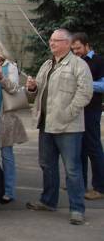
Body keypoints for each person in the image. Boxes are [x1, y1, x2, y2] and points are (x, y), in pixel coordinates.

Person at [25, 29, 93, 225]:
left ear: (67, 43)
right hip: (46, 124)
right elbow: (35, 93)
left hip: (69, 127)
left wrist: (68, 113)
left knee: (72, 169)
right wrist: (32, 87)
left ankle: (77, 209)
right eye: (51, 40)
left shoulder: (78, 65)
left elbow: (85, 93)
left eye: (56, 41)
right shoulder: (47, 65)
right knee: (47, 165)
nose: (51, 43)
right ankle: (48, 201)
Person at [0, 38, 28, 203]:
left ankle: (9, 191)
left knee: (7, 154)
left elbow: (14, 88)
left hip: (5, 116)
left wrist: (2, 77)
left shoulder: (10, 67)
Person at [71, 32, 104, 200]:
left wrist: (85, 83)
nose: (75, 51)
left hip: (91, 110)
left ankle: (100, 187)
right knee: (79, 149)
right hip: (77, 110)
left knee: (93, 148)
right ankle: (80, 185)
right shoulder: (75, 62)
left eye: (78, 48)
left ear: (86, 45)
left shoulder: (98, 61)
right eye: (73, 49)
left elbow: (103, 86)